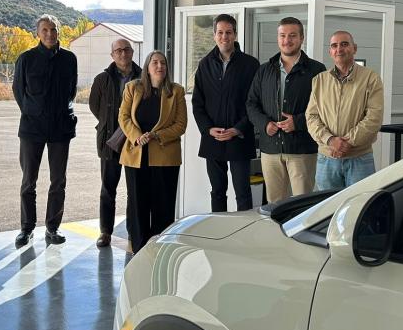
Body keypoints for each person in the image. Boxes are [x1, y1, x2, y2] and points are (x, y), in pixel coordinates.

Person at [12, 14, 77, 248]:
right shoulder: (26, 59)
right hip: (32, 128)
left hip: (60, 128)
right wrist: (34, 111)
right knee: (29, 181)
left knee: (58, 181)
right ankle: (26, 229)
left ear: (58, 32)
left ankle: (52, 228)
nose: (49, 34)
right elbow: (19, 92)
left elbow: (71, 91)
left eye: (53, 30)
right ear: (38, 33)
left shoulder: (70, 59)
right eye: (45, 30)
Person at [246, 17, 326, 203]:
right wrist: (265, 124)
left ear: (301, 38)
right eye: (282, 35)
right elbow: (251, 104)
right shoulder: (264, 70)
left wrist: (297, 122)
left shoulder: (317, 70)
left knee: (304, 205)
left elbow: (324, 108)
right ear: (278, 38)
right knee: (275, 206)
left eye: (292, 35)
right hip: (270, 150)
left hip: (302, 150)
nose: (287, 40)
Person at [118, 50, 187, 253]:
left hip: (166, 158)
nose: (159, 66)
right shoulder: (132, 88)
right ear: (147, 68)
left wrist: (157, 136)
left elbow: (180, 125)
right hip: (136, 155)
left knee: (163, 206)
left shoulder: (176, 91)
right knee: (137, 204)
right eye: (155, 62)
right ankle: (138, 248)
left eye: (163, 63)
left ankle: (160, 248)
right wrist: (137, 136)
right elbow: (123, 117)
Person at [192, 14, 260, 212]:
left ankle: (242, 238)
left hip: (239, 138)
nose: (224, 37)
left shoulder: (250, 65)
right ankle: (219, 234)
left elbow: (255, 103)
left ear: (235, 35)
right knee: (217, 191)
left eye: (228, 32)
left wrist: (238, 129)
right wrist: (208, 129)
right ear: (214, 35)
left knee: (243, 192)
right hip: (213, 139)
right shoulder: (204, 64)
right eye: (220, 32)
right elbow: (198, 103)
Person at [305, 30, 384, 189]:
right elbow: (311, 117)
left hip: (359, 159)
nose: (339, 49)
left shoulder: (371, 78)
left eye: (344, 44)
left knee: (360, 207)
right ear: (330, 52)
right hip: (326, 160)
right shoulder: (319, 80)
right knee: (327, 209)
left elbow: (374, 117)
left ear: (354, 48)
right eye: (334, 46)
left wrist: (347, 143)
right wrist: (330, 140)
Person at [88, 38, 141, 248]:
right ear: (112, 55)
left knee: (133, 190)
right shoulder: (102, 79)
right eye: (118, 50)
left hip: (133, 142)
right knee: (108, 188)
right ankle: (105, 232)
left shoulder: (142, 76)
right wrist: (111, 125)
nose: (123, 53)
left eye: (126, 49)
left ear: (132, 52)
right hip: (110, 141)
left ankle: (132, 231)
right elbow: (95, 107)